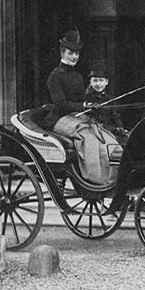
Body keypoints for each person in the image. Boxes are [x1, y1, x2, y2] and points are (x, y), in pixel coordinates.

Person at [41, 30, 117, 187]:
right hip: (59, 119)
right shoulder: (55, 76)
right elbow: (61, 104)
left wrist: (92, 105)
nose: (74, 56)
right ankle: (95, 179)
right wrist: (84, 105)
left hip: (76, 116)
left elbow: (82, 98)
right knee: (87, 137)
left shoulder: (77, 76)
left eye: (76, 53)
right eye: (70, 53)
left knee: (101, 133)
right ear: (62, 53)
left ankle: (112, 176)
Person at [84, 62, 129, 144]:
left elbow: (116, 117)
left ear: (106, 82)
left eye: (101, 80)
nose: (98, 84)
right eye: (95, 80)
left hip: (109, 131)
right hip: (92, 132)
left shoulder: (111, 99)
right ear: (90, 82)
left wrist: (121, 129)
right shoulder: (86, 98)